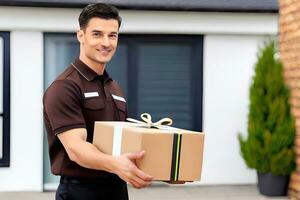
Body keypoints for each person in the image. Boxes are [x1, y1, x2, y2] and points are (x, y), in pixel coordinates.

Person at [43, 3, 153, 200]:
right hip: (80, 192)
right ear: (80, 35)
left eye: (112, 35)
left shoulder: (114, 88)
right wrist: (117, 165)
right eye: (97, 34)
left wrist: (163, 169)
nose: (106, 42)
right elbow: (76, 148)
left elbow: (122, 143)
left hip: (117, 189)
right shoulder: (64, 87)